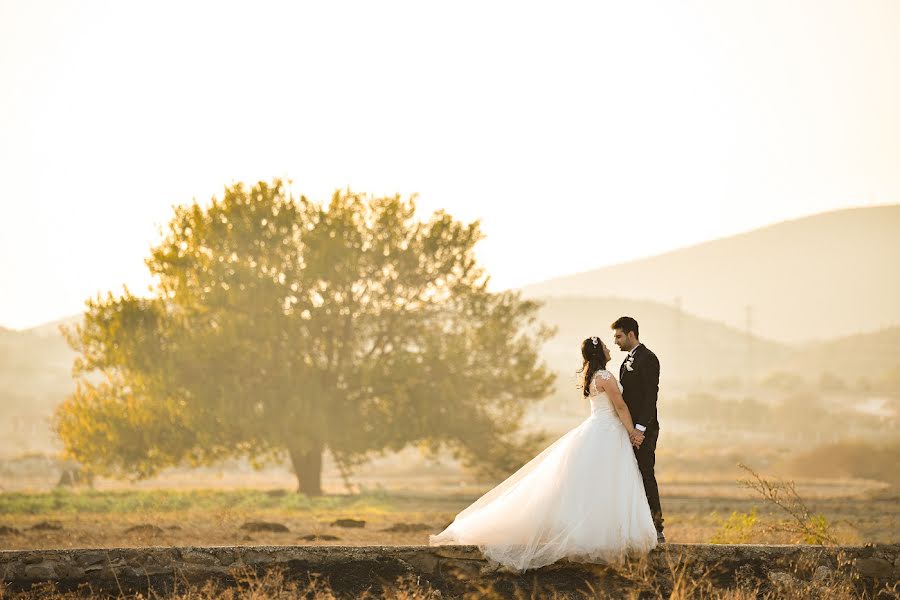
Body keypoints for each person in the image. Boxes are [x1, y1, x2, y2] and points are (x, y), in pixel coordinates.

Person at [428, 336, 658, 572]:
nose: (611, 349)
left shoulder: (592, 376)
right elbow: (620, 406)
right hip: (609, 432)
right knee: (609, 482)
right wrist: (633, 432)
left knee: (595, 482)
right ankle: (608, 532)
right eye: (607, 347)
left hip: (600, 429)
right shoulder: (606, 377)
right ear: (600, 353)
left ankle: (597, 530)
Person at [612, 316, 665, 542]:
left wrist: (640, 429)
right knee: (629, 476)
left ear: (631, 334)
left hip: (644, 431)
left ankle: (657, 527)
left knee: (645, 474)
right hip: (629, 430)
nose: (615, 342)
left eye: (618, 336)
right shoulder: (627, 361)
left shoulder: (648, 358)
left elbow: (650, 397)